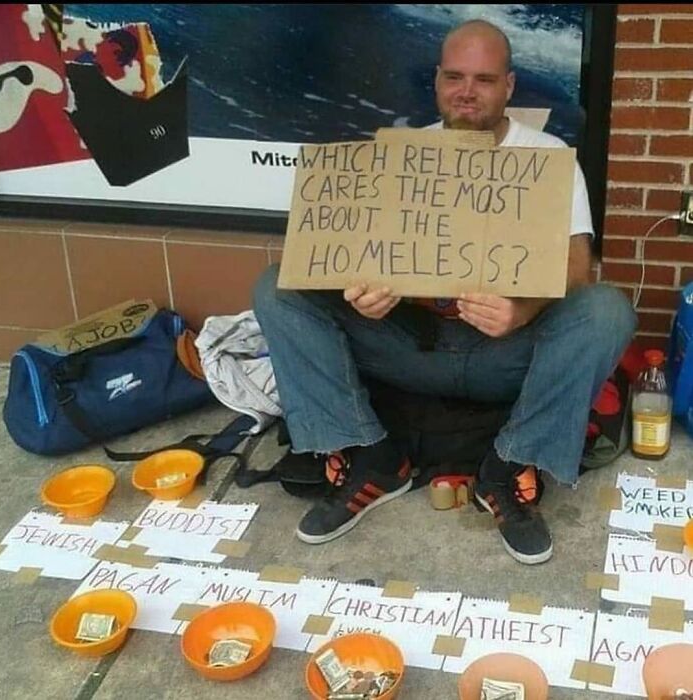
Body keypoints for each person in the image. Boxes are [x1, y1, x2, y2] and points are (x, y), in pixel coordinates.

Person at [253, 19, 637, 565]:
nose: (467, 91)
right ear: (436, 81)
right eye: (455, 77)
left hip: (504, 353)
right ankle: (370, 455)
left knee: (606, 310)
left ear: (508, 85)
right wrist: (362, 291)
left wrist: (522, 311)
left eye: (484, 79)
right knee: (277, 288)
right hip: (410, 345)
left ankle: (507, 467)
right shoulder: (401, 155)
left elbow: (579, 268)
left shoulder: (549, 158)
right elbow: (351, 256)